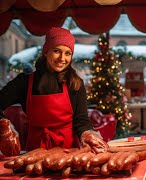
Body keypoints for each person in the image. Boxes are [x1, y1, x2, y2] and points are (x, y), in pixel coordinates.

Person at [0, 27, 108, 156]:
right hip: (35, 152)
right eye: (57, 51)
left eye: (68, 53)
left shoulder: (75, 83)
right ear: (46, 52)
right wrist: (4, 128)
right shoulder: (24, 82)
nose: (62, 58)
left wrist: (87, 133)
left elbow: (81, 120)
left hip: (68, 153)